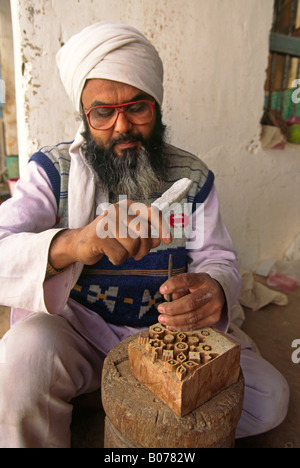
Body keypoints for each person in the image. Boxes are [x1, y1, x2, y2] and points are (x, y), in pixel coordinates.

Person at [0, 22, 289, 448]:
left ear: (156, 106)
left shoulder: (191, 178)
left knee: (268, 400)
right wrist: (76, 243)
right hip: (78, 331)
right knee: (22, 360)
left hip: (166, 337)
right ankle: (109, 394)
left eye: (137, 108)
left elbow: (220, 260)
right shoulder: (52, 170)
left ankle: (115, 401)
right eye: (103, 112)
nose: (122, 127)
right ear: (84, 114)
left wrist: (213, 288)